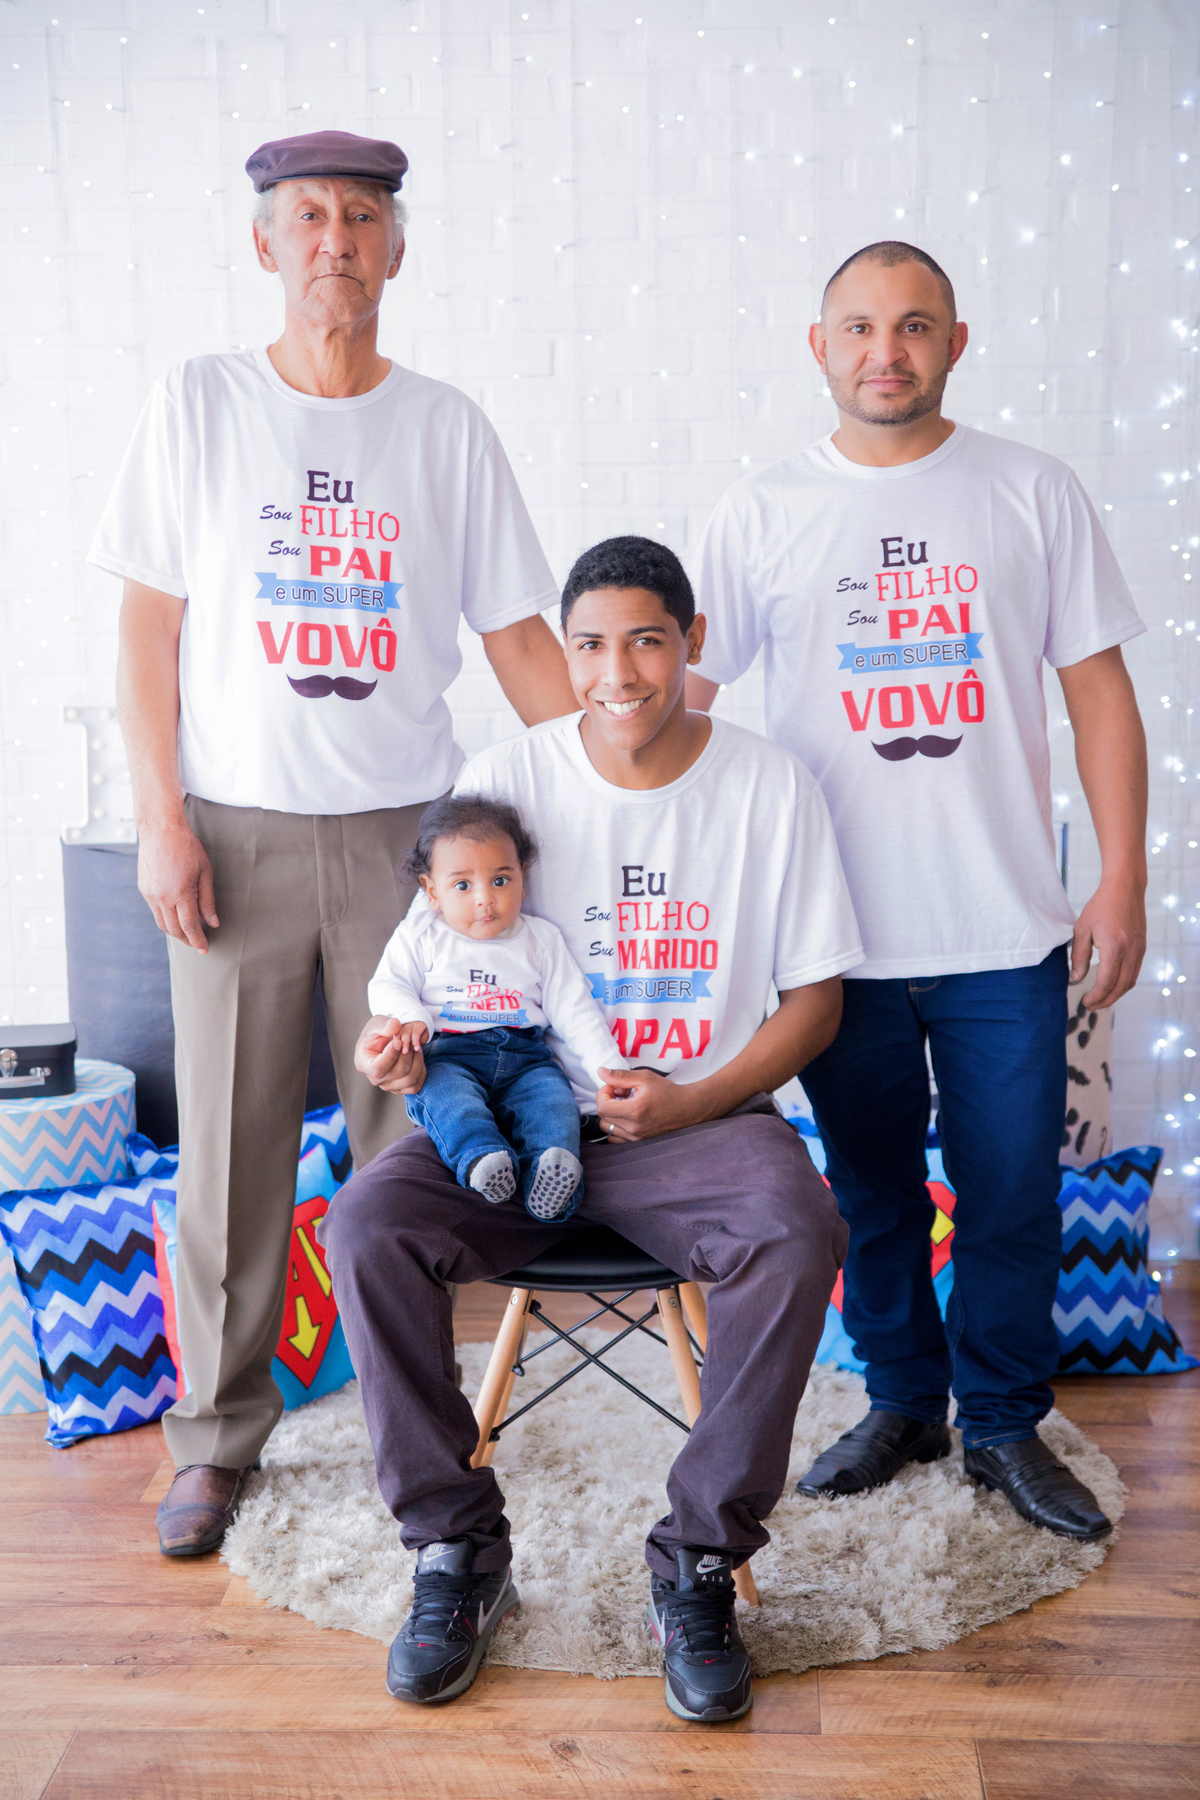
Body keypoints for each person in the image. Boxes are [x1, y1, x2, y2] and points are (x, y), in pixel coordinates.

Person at [87, 129, 576, 1558]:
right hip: (231, 833)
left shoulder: (444, 427)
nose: (335, 241)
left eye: (361, 216)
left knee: (409, 1150)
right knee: (229, 1157)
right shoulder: (198, 404)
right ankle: (214, 1443)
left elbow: (518, 638)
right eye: (307, 216)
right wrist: (161, 820)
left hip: (406, 847)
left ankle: (407, 1429)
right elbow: (146, 630)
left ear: (397, 248)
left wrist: (620, 779)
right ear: (266, 245)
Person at [323, 536, 864, 1722]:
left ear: (692, 643)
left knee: (796, 1228)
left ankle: (700, 1560)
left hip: (700, 1125)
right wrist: (393, 1044)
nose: (616, 673)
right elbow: (425, 958)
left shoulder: (768, 785)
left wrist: (695, 1098)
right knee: (365, 1223)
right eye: (589, 645)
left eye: (646, 641)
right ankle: (456, 1550)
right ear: (564, 653)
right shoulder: (506, 776)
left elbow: (816, 1001)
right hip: (513, 1119)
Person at [687, 240, 1148, 1542]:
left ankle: (1001, 1420)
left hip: (1004, 923)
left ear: (956, 342)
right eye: (859, 326)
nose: (884, 351)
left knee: (1012, 1192)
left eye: (913, 326)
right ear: (819, 345)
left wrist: (1122, 877)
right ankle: (902, 1401)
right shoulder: (762, 511)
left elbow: (1100, 695)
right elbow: (684, 709)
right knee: (872, 1193)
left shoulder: (1030, 491)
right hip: (836, 937)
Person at [365, 793, 629, 1220]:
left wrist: (611, 1070)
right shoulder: (421, 935)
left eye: (501, 881)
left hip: (526, 1057)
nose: (485, 899)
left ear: (523, 879)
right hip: (448, 1055)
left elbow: (574, 1010)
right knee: (450, 1103)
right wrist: (410, 1017)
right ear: (432, 891)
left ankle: (552, 1170)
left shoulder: (540, 939)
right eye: (463, 885)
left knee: (553, 1105)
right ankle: (482, 1159)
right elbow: (388, 984)